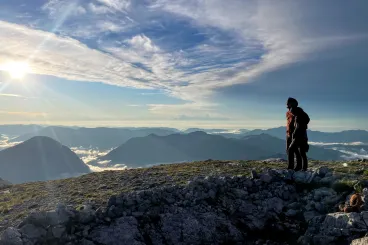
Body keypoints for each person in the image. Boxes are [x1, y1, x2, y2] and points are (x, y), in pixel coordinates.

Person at [286, 97, 310, 171]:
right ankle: (292, 167)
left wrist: (295, 132)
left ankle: (298, 167)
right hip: (290, 134)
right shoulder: (288, 113)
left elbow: (300, 124)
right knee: (291, 151)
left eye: (288, 103)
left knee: (295, 151)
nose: (287, 104)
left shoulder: (298, 111)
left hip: (297, 134)